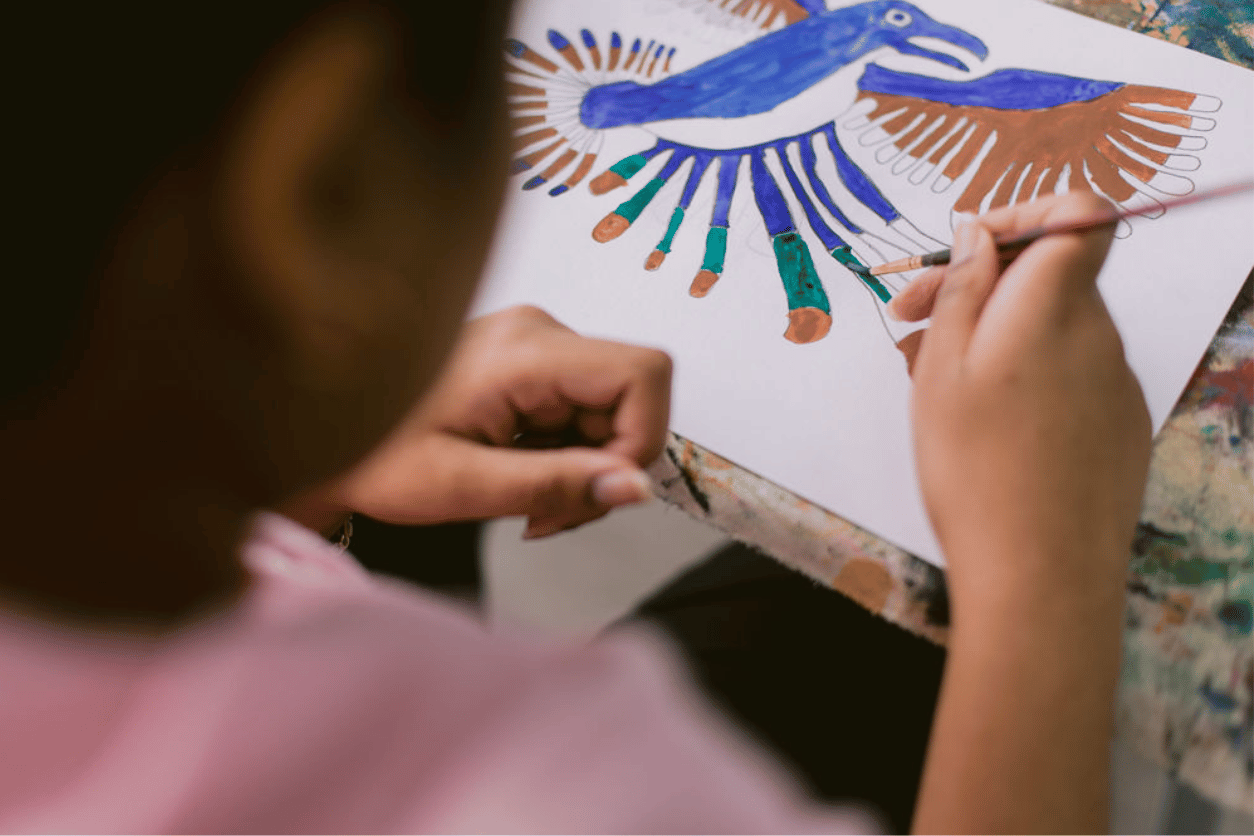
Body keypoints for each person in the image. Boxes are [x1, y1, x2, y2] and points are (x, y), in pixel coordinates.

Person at [0, 1, 1150, 832]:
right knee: (910, 620)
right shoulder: (546, 783)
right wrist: (1045, 573)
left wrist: (291, 471)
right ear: (319, 185)